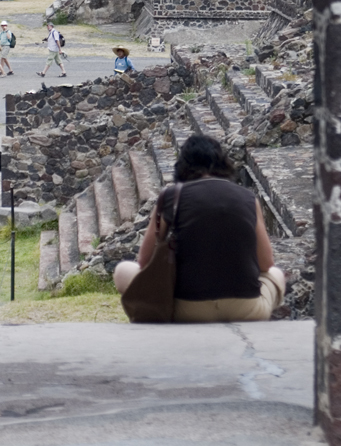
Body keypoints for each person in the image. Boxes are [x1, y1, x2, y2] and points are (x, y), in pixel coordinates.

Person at [114, 134, 286, 323]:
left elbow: (144, 261)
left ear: (183, 165)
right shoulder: (248, 198)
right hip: (247, 309)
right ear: (222, 163)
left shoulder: (171, 197)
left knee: (123, 270)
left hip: (186, 310)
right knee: (276, 274)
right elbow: (266, 263)